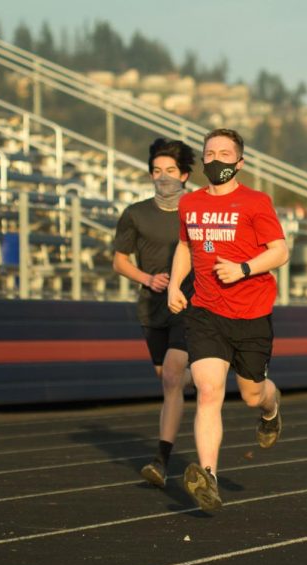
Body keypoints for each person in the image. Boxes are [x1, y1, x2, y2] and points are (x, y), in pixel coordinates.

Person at [168, 128, 289, 512]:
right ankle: (209, 477)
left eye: (225, 153)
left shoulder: (256, 202)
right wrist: (175, 284)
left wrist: (243, 268)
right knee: (207, 390)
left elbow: (280, 251)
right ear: (202, 161)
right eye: (210, 153)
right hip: (206, 311)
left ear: (239, 162)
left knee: (252, 393)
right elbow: (185, 246)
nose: (217, 159)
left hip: (251, 313)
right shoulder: (190, 204)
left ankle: (271, 409)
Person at [113, 138, 196, 487]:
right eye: (157, 171)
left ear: (185, 175)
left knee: (173, 376)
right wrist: (147, 277)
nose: (163, 177)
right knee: (169, 378)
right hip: (151, 306)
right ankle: (215, 375)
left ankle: (160, 459)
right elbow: (119, 261)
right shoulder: (135, 213)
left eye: (170, 171)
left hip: (189, 303)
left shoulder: (196, 212)